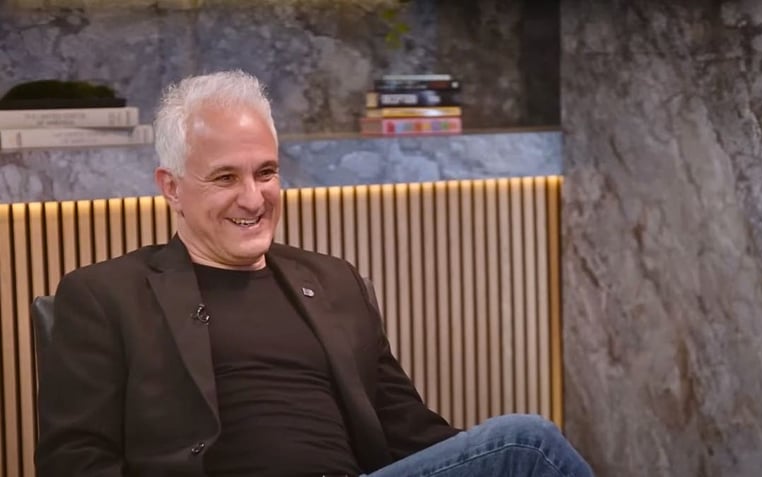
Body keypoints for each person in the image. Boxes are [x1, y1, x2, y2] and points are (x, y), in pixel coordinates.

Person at [35, 70, 593, 477]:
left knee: (518, 457)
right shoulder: (105, 295)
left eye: (267, 172)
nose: (252, 198)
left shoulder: (334, 282)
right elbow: (75, 460)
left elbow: (413, 436)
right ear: (172, 187)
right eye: (226, 177)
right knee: (531, 444)